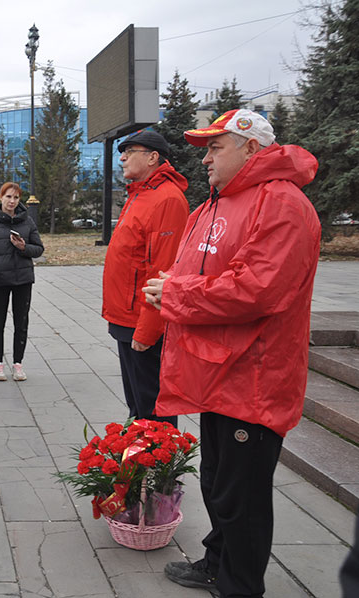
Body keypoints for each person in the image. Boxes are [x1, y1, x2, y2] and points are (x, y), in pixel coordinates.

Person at [142, 110, 321, 598]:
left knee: (242, 497)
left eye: (215, 146)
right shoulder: (216, 205)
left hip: (254, 380)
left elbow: (257, 289)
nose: (205, 158)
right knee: (220, 483)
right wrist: (169, 290)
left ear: (250, 147)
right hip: (217, 374)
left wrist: (175, 295)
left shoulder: (281, 203)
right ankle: (218, 562)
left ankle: (240, 585)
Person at [103, 129, 189, 425]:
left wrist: (147, 329)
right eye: (121, 152)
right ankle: (141, 465)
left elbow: (162, 272)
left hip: (141, 320)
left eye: (130, 151)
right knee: (138, 407)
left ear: (153, 158)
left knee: (153, 409)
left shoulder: (167, 200)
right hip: (125, 316)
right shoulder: (141, 194)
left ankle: (160, 469)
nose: (123, 157)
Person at [0, 182, 43, 382]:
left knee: (21, 323)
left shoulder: (27, 221)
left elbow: (38, 249)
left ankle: (18, 364)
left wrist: (23, 247)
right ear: (0, 197)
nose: (12, 201)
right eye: (8, 197)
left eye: (15, 197)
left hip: (23, 279)